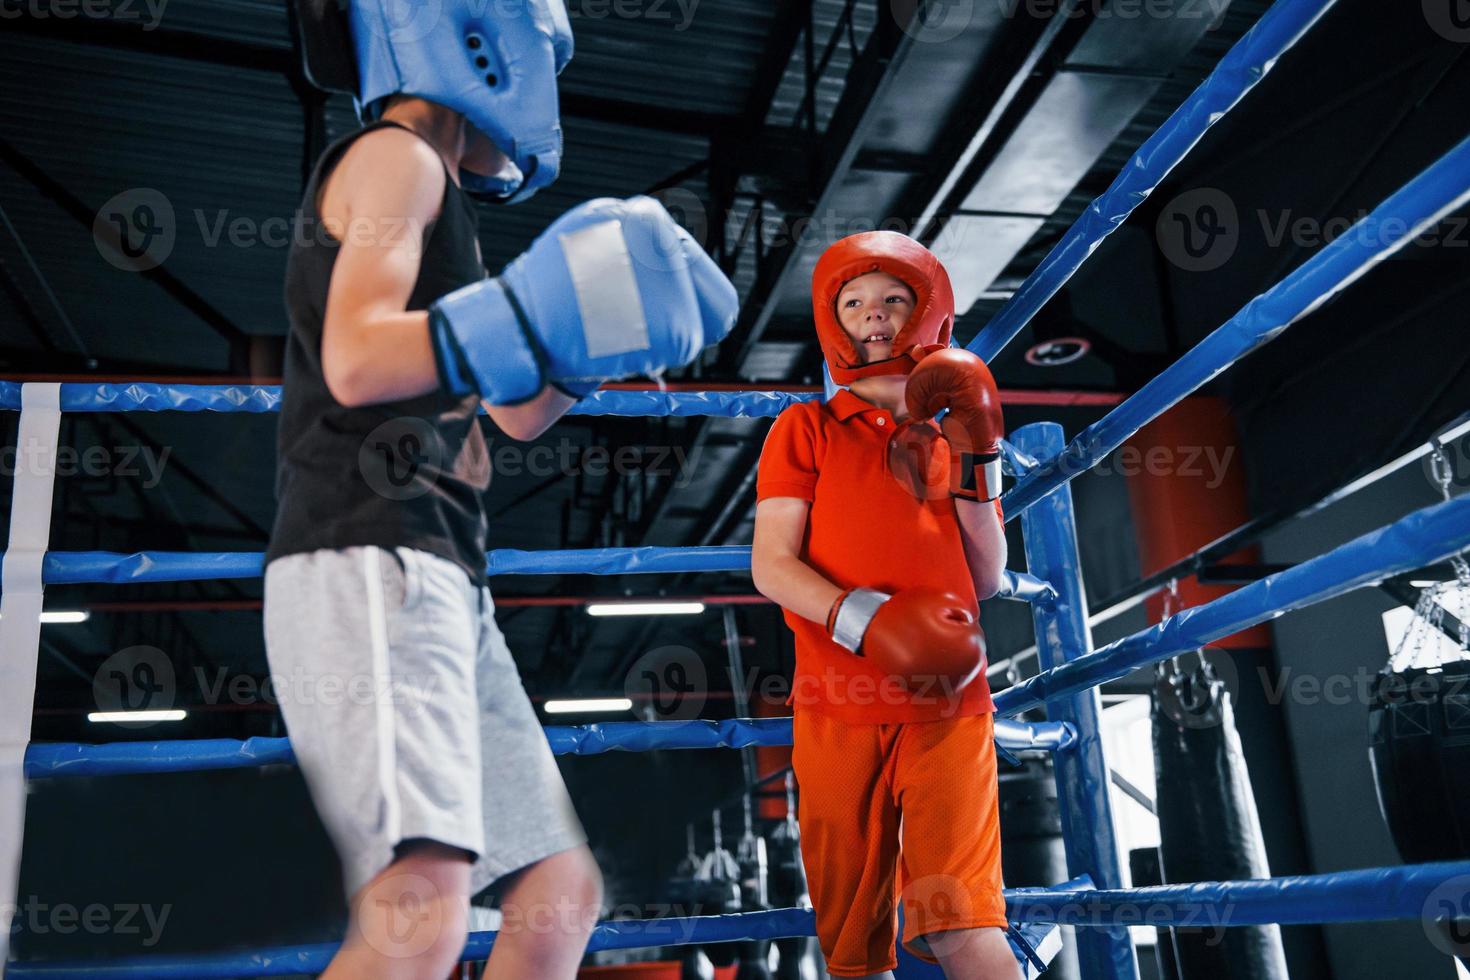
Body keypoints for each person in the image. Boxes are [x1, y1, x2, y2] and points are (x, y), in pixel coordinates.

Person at [265, 2, 738, 978]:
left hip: (439, 564)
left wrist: (585, 345)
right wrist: (528, 310)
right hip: (368, 547)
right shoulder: (396, 159)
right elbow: (354, 359)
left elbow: (512, 415)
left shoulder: (453, 206)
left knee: (556, 892)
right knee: (421, 906)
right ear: (473, 32)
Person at [750, 231, 1018, 980]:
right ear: (834, 320)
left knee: (965, 924)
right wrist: (866, 620)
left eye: (895, 299)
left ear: (926, 313)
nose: (874, 313)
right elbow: (771, 565)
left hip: (949, 703)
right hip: (838, 702)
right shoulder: (804, 428)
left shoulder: (950, 432)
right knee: (855, 955)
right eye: (856, 300)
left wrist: (979, 454)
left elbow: (988, 575)